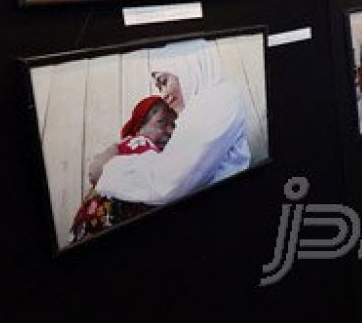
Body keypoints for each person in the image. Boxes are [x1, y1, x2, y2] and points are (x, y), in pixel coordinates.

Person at [91, 39, 250, 205]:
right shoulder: (199, 107)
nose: (164, 94)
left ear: (188, 68)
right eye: (160, 88)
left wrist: (107, 169)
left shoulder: (218, 98)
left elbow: (169, 181)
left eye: (164, 82)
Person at [70, 96, 178, 244]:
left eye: (173, 125)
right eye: (162, 123)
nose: (169, 131)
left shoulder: (157, 151)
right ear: (140, 126)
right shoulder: (137, 143)